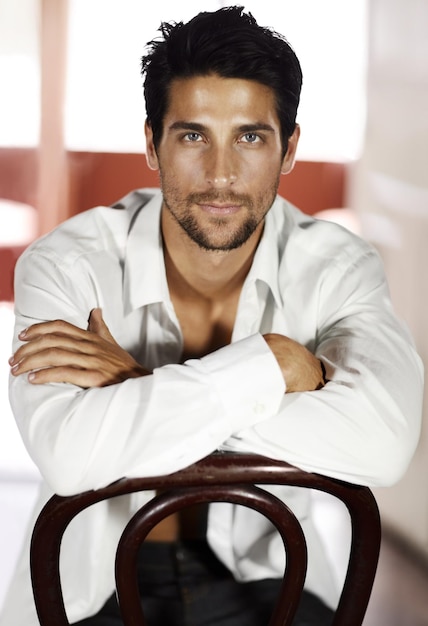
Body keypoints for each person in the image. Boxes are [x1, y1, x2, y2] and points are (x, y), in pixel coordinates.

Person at [2, 5, 423, 626]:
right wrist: (273, 367)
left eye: (250, 137)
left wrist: (136, 383)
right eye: (193, 135)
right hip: (99, 584)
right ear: (152, 143)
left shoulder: (337, 266)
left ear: (289, 150)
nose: (221, 175)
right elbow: (69, 457)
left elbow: (385, 445)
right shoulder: (67, 265)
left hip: (272, 573)